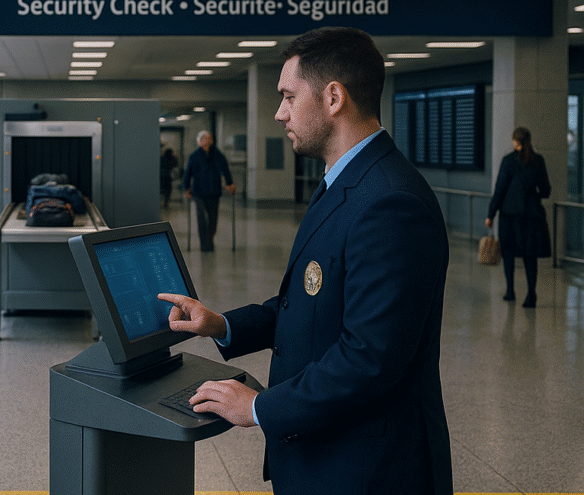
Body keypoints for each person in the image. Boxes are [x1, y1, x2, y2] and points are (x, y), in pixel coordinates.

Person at [159, 27, 453, 494]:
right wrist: (223, 325)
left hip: (366, 470)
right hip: (325, 455)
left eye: (289, 97)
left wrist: (258, 407)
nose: (279, 113)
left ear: (333, 97)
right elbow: (310, 304)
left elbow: (370, 358)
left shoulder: (391, 202)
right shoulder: (345, 183)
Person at [486, 126, 551, 308]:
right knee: (530, 256)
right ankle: (531, 294)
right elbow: (546, 191)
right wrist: (533, 194)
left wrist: (491, 214)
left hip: (509, 215)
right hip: (531, 215)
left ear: (516, 142)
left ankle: (510, 291)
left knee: (508, 253)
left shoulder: (508, 161)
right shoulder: (538, 161)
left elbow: (500, 189)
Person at [182, 131, 236, 251]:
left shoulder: (217, 154)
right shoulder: (194, 156)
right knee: (201, 218)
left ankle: (210, 239)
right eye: (205, 138)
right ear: (200, 141)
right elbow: (188, 173)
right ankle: (204, 243)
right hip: (198, 192)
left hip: (214, 191)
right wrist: (186, 188)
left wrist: (229, 183)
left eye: (210, 138)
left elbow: (225, 169)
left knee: (213, 218)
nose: (208, 140)